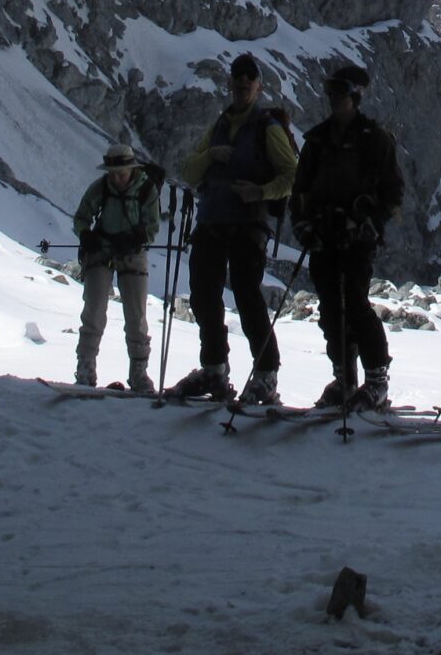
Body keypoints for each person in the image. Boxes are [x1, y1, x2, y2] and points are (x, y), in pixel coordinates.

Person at [167, 52, 295, 404]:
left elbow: (292, 175)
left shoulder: (267, 127)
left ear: (258, 87)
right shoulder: (221, 126)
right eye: (238, 79)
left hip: (245, 222)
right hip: (213, 219)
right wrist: (212, 155)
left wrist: (260, 192)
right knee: (204, 294)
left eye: (249, 80)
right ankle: (216, 369)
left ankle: (264, 372)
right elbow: (189, 171)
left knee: (245, 294)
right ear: (231, 84)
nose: (243, 84)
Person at [291, 62, 405, 409]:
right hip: (324, 234)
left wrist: (369, 222)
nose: (332, 98)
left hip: (357, 238)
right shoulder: (317, 140)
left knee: (355, 305)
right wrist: (303, 224)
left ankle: (375, 379)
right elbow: (300, 189)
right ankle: (345, 377)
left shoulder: (374, 140)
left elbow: (393, 191)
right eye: (330, 91)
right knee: (330, 309)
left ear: (355, 96)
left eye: (339, 91)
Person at [70, 143, 162, 392]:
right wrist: (85, 235)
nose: (116, 178)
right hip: (103, 249)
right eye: (113, 173)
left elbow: (151, 228)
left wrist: (135, 239)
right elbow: (81, 218)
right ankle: (86, 368)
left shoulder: (146, 189)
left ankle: (138, 372)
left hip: (130, 252)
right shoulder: (101, 187)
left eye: (120, 173)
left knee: (136, 315)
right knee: (94, 309)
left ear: (131, 169)